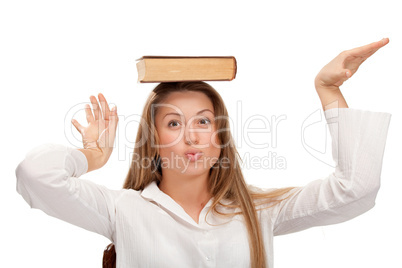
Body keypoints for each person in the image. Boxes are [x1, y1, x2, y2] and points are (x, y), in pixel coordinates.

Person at [15, 38, 392, 268]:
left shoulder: (259, 211)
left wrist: (328, 90)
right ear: (154, 139)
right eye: (175, 124)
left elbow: (355, 189)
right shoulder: (122, 210)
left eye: (203, 122)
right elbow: (35, 174)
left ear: (220, 137)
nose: (192, 138)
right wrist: (91, 156)